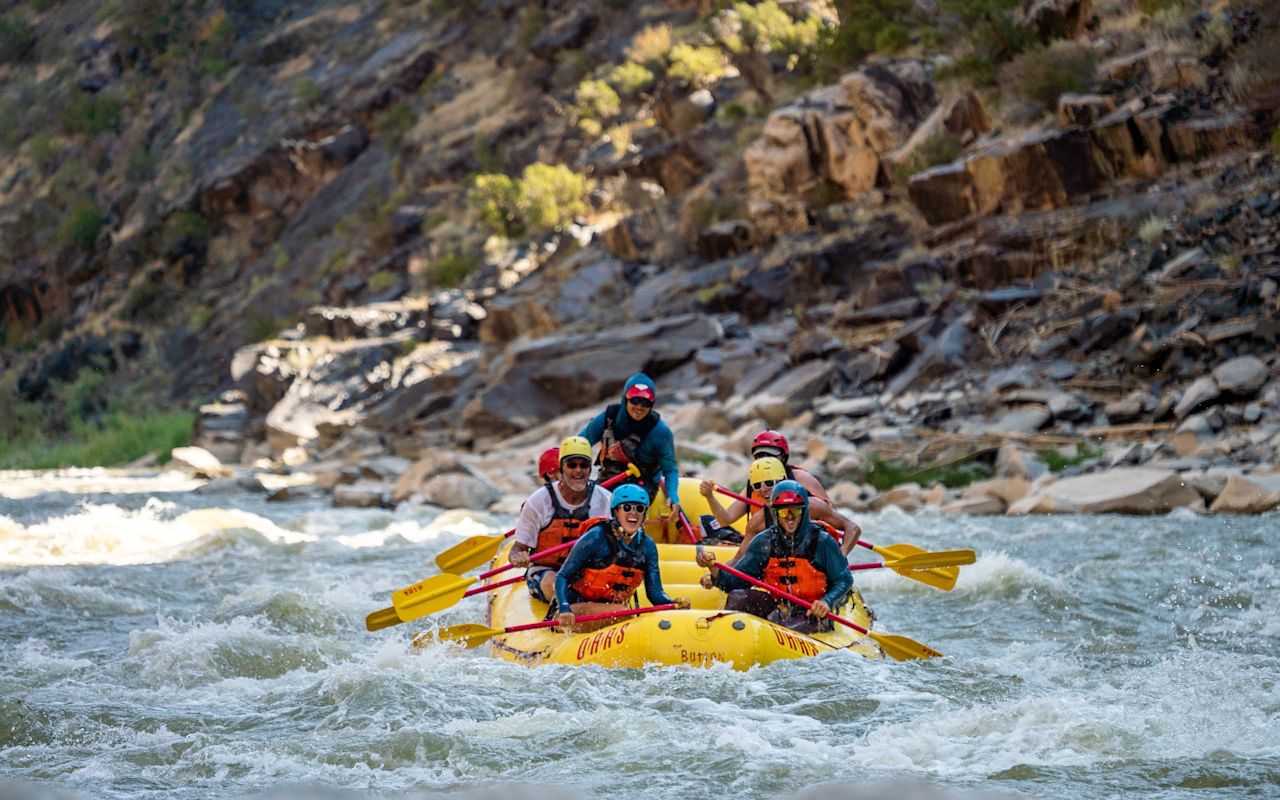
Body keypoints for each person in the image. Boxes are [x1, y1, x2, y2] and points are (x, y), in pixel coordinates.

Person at [695, 480, 853, 635]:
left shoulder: (822, 541)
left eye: (795, 511)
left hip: (813, 613)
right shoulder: (764, 542)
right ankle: (730, 639)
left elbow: (844, 579)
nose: (789, 517)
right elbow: (734, 582)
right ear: (775, 513)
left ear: (804, 511)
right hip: (780, 607)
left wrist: (827, 601)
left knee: (786, 627)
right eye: (784, 512)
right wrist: (713, 568)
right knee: (738, 597)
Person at [555, 484, 690, 632]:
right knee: (622, 612)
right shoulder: (596, 537)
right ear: (616, 512)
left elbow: (655, 593)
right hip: (575, 611)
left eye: (639, 509)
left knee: (621, 612)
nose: (633, 513)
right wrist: (564, 608)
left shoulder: (648, 547)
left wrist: (672, 604)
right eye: (627, 508)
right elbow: (562, 575)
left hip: (613, 612)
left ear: (645, 514)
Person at [510, 436, 613, 604]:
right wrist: (517, 557)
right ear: (561, 469)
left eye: (584, 465)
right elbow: (517, 548)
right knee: (556, 583)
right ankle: (568, 609)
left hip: (588, 572)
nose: (578, 470)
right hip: (546, 571)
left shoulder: (606, 500)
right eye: (572, 465)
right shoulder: (538, 502)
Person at [700, 456, 862, 557]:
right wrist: (716, 572)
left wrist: (842, 554)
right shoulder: (758, 521)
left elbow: (852, 528)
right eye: (758, 485)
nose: (763, 489)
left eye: (770, 483)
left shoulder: (813, 506)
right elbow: (739, 559)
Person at [579, 372, 681, 519]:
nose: (639, 406)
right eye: (635, 400)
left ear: (652, 404)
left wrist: (673, 496)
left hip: (641, 485)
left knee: (623, 507)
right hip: (607, 479)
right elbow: (581, 443)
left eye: (645, 403)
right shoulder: (608, 418)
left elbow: (670, 470)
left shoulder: (660, 432)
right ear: (625, 399)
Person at [750, 430, 830, 503]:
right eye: (760, 456)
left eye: (771, 455)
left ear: (783, 457)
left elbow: (829, 510)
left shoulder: (800, 477)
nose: (766, 460)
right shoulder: (753, 484)